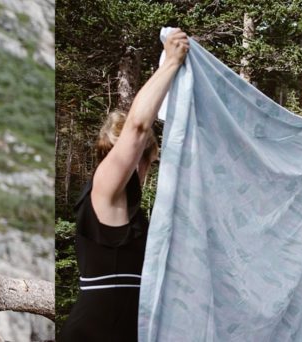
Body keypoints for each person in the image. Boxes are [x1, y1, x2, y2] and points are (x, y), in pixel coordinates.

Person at [58, 29, 189, 341]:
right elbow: (139, 126)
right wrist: (170, 63)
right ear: (136, 156)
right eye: (148, 161)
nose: (148, 171)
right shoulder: (104, 188)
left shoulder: (130, 211)